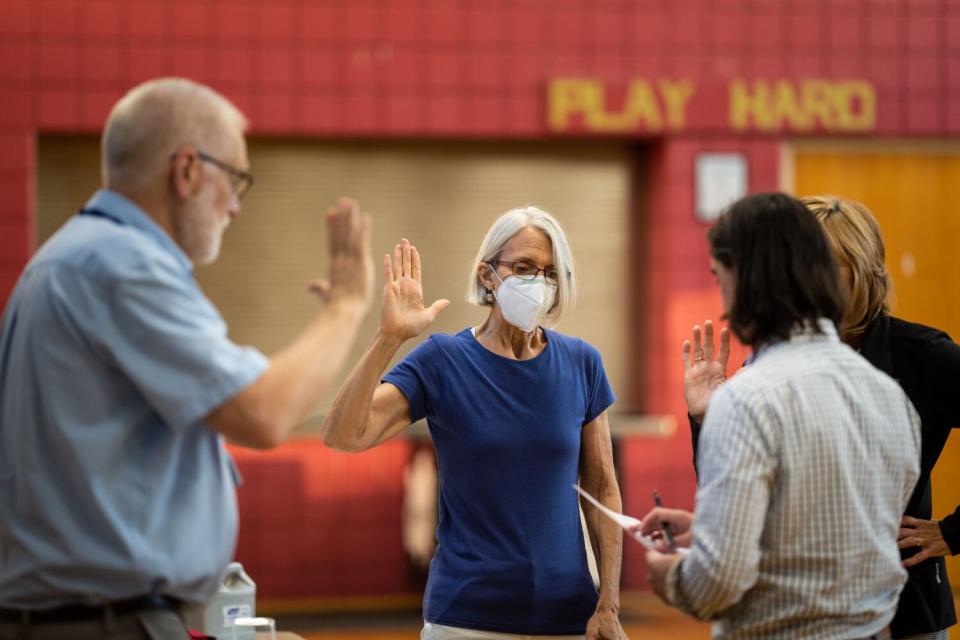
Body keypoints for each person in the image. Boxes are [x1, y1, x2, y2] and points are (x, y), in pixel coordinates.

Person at [0, 78, 373, 639]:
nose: (236, 207)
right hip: (105, 623)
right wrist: (346, 307)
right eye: (236, 180)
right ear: (188, 170)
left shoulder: (70, 258)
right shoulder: (121, 267)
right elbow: (263, 412)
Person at [322, 206, 627, 639]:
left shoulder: (583, 364)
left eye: (549, 272)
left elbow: (602, 491)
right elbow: (343, 435)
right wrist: (388, 337)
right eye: (523, 268)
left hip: (567, 616)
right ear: (488, 275)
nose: (537, 283)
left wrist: (609, 603)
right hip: (465, 618)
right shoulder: (444, 360)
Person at [639, 193, 920, 639]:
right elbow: (843, 535)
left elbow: (716, 586)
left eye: (721, 278)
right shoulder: (889, 395)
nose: (724, 304)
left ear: (749, 281)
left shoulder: (748, 398)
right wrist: (713, 529)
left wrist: (670, 574)